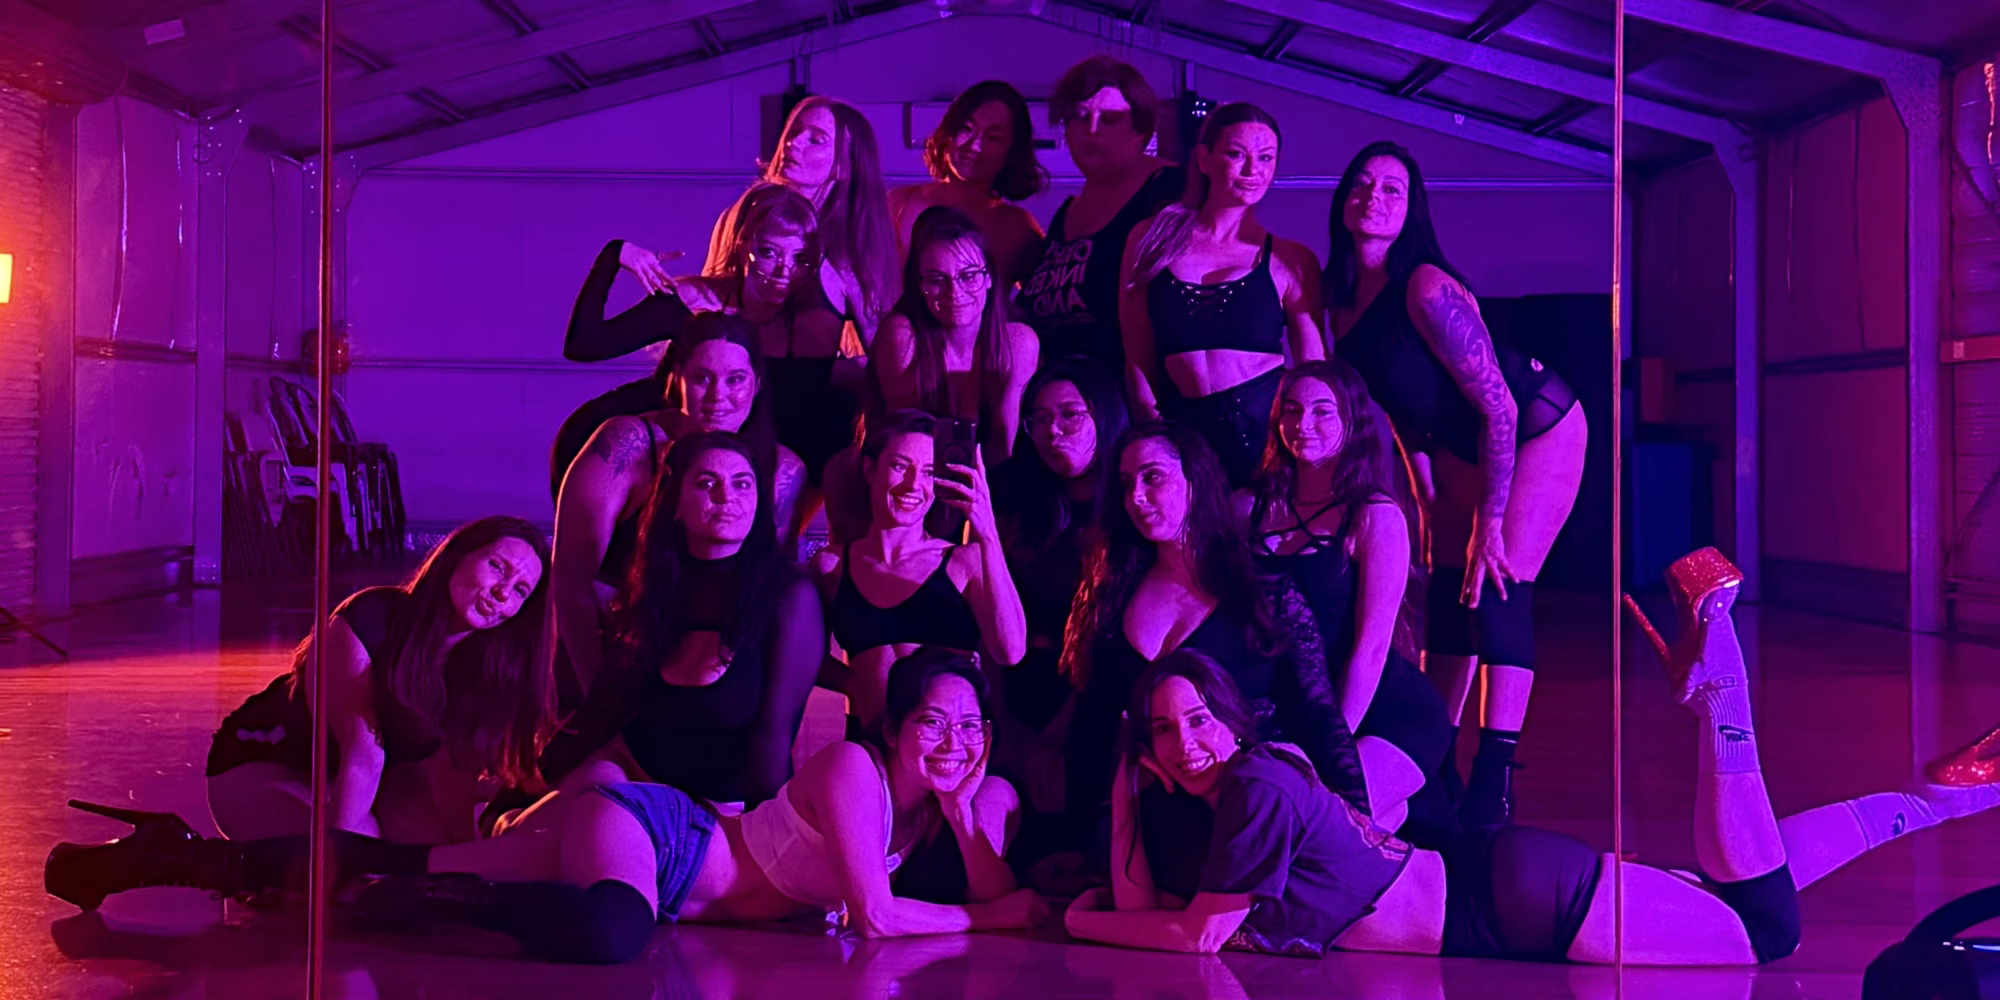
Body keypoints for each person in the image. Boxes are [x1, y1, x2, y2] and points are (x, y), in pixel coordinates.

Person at [1063, 550, 2000, 965]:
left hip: (1511, 910)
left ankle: (1725, 692)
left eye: (1198, 721)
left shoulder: (1256, 785)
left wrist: (1065, 920)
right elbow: (1153, 901)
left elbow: (1194, 935)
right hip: (1494, 885)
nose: (1188, 743)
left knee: (1767, 935)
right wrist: (1124, 789)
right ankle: (1945, 799)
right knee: (1752, 891)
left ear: (1230, 720)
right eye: (1164, 734)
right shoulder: (1239, 785)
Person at [47, 648, 1046, 965]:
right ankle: (410, 911)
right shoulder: (856, 776)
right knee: (615, 931)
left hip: (656, 859)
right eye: (930, 720)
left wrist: (962, 819)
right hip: (659, 836)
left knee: (400, 867)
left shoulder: (934, 803)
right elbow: (877, 918)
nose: (950, 741)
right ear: (895, 720)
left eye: (968, 727)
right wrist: (986, 915)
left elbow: (991, 885)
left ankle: (171, 856)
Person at [1325, 141, 1588, 830]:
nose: (1374, 197)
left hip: (1535, 424)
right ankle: (1435, 760)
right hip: (1452, 448)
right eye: (1363, 183)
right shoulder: (1343, 304)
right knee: (1448, 591)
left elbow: (1498, 407)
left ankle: (1494, 783)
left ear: (1412, 209)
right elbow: (1403, 425)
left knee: (1496, 580)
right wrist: (1430, 516)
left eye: (1392, 188)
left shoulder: (1425, 286)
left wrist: (1489, 522)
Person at [1061, 422, 1368, 873]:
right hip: (1151, 815)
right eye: (1126, 486)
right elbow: (1092, 728)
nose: (1137, 498)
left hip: (1254, 808)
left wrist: (1359, 821)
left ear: (1194, 480)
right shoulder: (1111, 595)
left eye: (1153, 477)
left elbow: (1318, 714)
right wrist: (1077, 838)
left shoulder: (1264, 592)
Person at [523, 433, 824, 828]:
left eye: (742, 484)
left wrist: (767, 845)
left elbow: (773, 737)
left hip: (717, 808)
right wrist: (537, 773)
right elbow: (609, 701)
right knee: (520, 828)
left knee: (581, 835)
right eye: (706, 483)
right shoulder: (657, 584)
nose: (725, 497)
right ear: (676, 504)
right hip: (632, 771)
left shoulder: (788, 597)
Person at [203, 516, 554, 845]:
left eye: (521, 590)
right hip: (265, 765)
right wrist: (343, 865)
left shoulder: (484, 665)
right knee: (365, 850)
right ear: (455, 558)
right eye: (496, 567)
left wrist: (462, 870)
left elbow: (453, 777)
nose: (503, 593)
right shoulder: (372, 618)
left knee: (432, 858)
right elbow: (362, 758)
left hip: (357, 780)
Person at [1246, 361, 1455, 844]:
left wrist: (1330, 743)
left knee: (1329, 827)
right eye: (1292, 411)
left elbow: (1371, 650)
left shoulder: (1375, 516)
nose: (1303, 426)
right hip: (1299, 703)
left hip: (1383, 708)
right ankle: (1407, 815)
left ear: (1351, 422)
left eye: (1323, 412)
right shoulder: (1254, 510)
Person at [552, 314, 804, 707]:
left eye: (735, 379)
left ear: (757, 384)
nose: (718, 395)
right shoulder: (626, 445)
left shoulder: (783, 471)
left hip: (708, 672)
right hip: (608, 651)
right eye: (702, 378)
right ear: (677, 379)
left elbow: (773, 595)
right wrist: (598, 702)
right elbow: (571, 583)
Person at [549, 183, 823, 505]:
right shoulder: (694, 301)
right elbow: (584, 345)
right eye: (769, 252)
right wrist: (616, 255)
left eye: (800, 258)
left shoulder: (811, 322)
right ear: (743, 246)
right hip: (619, 447)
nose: (784, 270)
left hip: (716, 468)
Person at [1121, 103, 1325, 488]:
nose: (1253, 171)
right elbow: (1137, 357)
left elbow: (1317, 375)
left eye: (1266, 158)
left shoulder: (1291, 260)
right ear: (1204, 159)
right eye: (1237, 154)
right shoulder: (1150, 240)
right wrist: (1153, 439)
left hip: (1265, 443)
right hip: (1180, 436)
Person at [813, 411, 1028, 733]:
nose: (914, 485)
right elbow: (802, 653)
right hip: (870, 740)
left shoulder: (963, 562)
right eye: (900, 467)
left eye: (928, 472)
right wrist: (854, 683)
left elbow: (1010, 651)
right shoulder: (832, 566)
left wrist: (987, 531)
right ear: (870, 469)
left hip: (948, 748)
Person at [1016, 56, 1184, 371]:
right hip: (1061, 399)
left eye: (1109, 119)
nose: (1091, 131)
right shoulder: (1067, 212)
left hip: (1130, 399)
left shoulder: (1169, 190)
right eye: (1079, 117)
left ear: (1141, 130)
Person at [871, 205, 1040, 461]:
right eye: (937, 280)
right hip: (916, 473)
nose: (954, 293)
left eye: (968, 276)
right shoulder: (902, 337)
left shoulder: (1018, 341)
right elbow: (906, 441)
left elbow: (1003, 444)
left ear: (990, 278)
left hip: (995, 477)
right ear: (919, 286)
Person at [888, 80, 1048, 282]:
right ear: (949, 131)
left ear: (1012, 152)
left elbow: (1043, 304)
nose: (974, 146)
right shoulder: (897, 203)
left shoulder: (1018, 227)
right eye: (966, 128)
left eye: (993, 137)